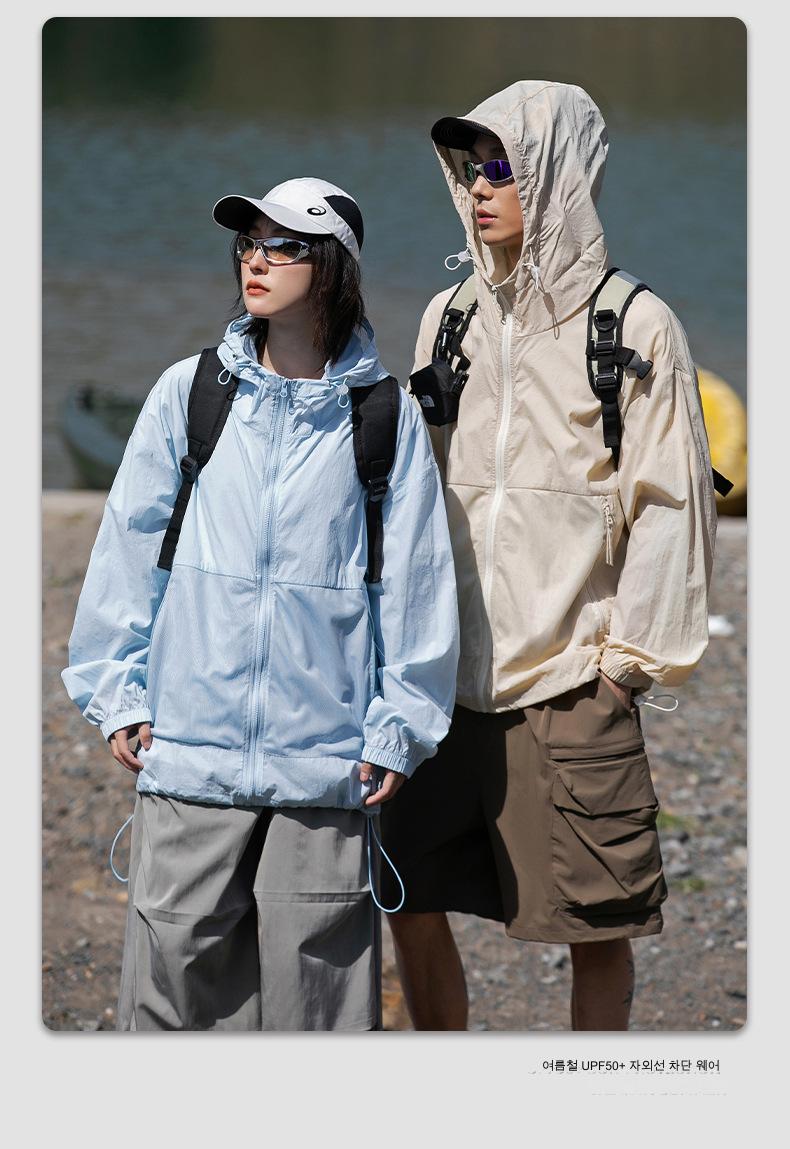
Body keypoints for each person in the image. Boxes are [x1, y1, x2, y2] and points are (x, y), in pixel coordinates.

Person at [61, 177, 459, 1031]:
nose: (256, 258)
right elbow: (128, 548)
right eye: (249, 242)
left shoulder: (383, 417)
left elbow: (416, 584)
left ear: (334, 266)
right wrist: (117, 690)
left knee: (316, 1015)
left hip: (326, 769)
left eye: (284, 245)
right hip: (188, 753)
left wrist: (399, 726)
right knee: (170, 1003)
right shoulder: (190, 393)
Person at [380, 81, 718, 1031]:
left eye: (502, 165)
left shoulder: (636, 325)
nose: (478, 187)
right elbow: (415, 490)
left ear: (558, 172)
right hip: (440, 678)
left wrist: (625, 666)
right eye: (467, 167)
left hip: (571, 681)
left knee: (598, 924)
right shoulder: (448, 315)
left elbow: (670, 506)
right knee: (406, 895)